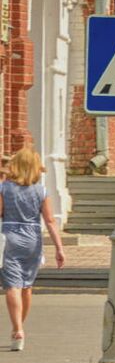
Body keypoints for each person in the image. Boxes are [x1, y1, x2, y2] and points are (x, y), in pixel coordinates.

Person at [2, 144, 63, 351]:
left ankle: (18, 328)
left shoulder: (4, 188)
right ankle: (18, 327)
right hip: (32, 238)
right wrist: (59, 248)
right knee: (26, 285)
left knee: (12, 285)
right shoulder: (41, 191)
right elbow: (50, 221)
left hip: (9, 236)